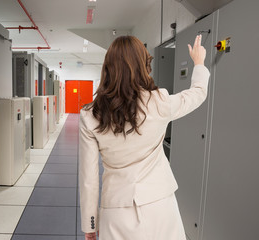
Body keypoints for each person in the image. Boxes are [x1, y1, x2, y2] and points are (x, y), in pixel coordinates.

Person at [79, 35, 209, 240]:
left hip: (116, 210)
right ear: (143, 65)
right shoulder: (160, 102)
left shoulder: (90, 115)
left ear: (108, 68)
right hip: (160, 205)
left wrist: (90, 223)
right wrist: (199, 63)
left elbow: (89, 178)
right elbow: (198, 94)